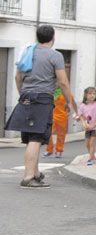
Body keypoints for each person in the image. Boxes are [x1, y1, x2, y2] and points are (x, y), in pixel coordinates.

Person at [6, 25, 77, 188]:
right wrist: (68, 101)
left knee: (31, 137)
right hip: (43, 98)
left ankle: (36, 173)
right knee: (36, 137)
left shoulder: (28, 52)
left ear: (37, 37)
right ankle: (28, 177)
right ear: (53, 38)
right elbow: (62, 82)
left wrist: (22, 93)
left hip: (26, 97)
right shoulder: (55, 56)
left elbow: (18, 76)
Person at [76, 86, 96, 164]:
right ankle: (92, 156)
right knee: (87, 144)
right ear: (86, 95)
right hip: (88, 128)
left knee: (92, 143)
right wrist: (84, 124)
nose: (92, 95)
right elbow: (80, 116)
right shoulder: (83, 106)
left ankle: (91, 159)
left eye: (94, 93)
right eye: (90, 93)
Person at [44, 87, 70, 158]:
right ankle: (49, 150)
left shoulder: (66, 92)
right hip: (51, 116)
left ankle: (59, 150)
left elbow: (70, 103)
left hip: (62, 117)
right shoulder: (49, 91)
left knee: (61, 135)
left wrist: (69, 112)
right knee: (47, 132)